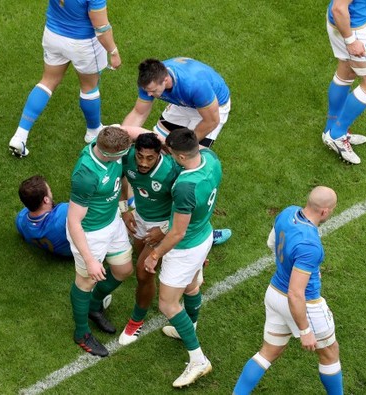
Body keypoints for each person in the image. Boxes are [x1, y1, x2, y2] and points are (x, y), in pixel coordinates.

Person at [233, 187, 342, 395]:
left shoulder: (287, 212)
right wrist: (305, 330)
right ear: (325, 212)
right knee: (329, 353)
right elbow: (296, 293)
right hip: (304, 305)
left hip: (274, 294)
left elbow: (271, 243)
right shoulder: (310, 245)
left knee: (268, 352)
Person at [122, 57, 231, 244]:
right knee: (154, 153)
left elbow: (211, 120)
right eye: (147, 91)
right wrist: (122, 142)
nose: (150, 95)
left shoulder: (194, 85)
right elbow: (139, 113)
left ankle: (201, 233)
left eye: (154, 91)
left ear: (165, 80)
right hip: (184, 105)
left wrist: (179, 146)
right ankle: (139, 212)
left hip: (212, 110)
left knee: (186, 168)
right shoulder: (150, 81)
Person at [143, 128, 221, 388]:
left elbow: (177, 232)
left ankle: (198, 360)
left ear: (181, 157)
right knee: (191, 286)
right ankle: (190, 325)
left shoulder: (185, 187)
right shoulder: (211, 159)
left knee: (167, 304)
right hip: (204, 235)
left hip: (186, 248)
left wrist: (154, 254)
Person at [8, 0, 122, 158]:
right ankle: (93, 130)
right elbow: (101, 27)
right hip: (83, 43)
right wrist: (113, 51)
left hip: (53, 35)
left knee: (47, 81)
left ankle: (20, 136)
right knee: (89, 87)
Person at [67, 126, 133, 357]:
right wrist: (90, 260)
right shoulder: (86, 175)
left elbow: (121, 180)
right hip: (90, 233)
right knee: (85, 282)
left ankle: (95, 306)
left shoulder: (108, 144)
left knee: (123, 270)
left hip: (112, 222)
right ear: (111, 154)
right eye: (124, 152)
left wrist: (124, 208)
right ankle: (81, 333)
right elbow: (74, 221)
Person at [117, 132, 182, 345]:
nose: (143, 163)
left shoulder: (171, 172)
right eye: (140, 157)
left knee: (143, 272)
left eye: (150, 158)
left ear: (159, 154)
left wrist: (164, 229)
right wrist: (125, 209)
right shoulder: (128, 158)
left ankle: (136, 320)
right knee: (138, 255)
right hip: (139, 218)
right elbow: (122, 178)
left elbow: (184, 207)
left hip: (162, 225)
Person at [322, 0, 366, 165]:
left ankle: (330, 130)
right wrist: (351, 41)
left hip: (350, 23)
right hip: (351, 29)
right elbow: (339, 8)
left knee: (347, 71)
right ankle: (337, 133)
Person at [16, 175, 72, 257]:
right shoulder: (62, 214)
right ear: (46, 200)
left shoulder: (20, 220)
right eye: (49, 190)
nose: (51, 192)